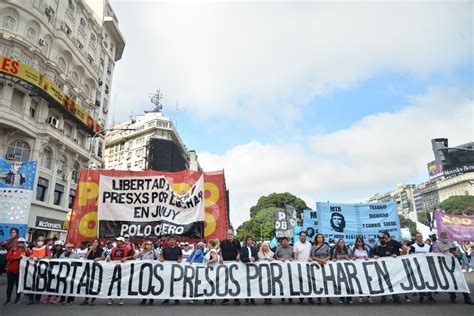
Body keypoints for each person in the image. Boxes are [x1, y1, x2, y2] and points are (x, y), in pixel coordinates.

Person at [433, 232, 474, 305]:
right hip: (445, 266)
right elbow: (436, 256)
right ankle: (453, 297)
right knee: (450, 281)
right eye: (443, 236)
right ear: (440, 237)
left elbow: (460, 256)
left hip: (455, 265)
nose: (445, 237)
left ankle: (467, 298)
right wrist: (443, 251)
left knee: (461, 281)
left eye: (445, 235)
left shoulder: (452, 244)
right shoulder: (437, 245)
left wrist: (455, 253)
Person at [373, 234, 402, 304]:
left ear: (385, 239)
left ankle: (395, 297)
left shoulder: (390, 248)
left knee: (392, 283)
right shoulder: (376, 248)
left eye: (383, 238)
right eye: (380, 239)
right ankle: (383, 298)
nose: (382, 240)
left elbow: (394, 255)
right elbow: (372, 255)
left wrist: (394, 255)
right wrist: (375, 256)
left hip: (390, 269)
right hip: (380, 269)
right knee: (382, 283)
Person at [408, 232, 436, 304]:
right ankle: (421, 296)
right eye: (418, 236)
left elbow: (431, 255)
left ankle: (429, 296)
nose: (419, 237)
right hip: (417, 267)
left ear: (422, 237)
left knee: (429, 281)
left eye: (420, 236)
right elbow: (411, 256)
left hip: (427, 267)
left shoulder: (428, 246)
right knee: (420, 282)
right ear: (416, 238)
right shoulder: (413, 246)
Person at [106, 237, 134, 305]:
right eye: (117, 241)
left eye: (118, 241)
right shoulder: (113, 249)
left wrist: (126, 258)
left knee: (121, 283)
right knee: (112, 283)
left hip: (123, 269)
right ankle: (111, 297)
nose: (117, 242)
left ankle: (121, 297)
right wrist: (108, 258)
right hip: (114, 268)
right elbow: (111, 258)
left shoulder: (128, 249)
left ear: (122, 242)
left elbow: (132, 256)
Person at [4, 237, 29, 305]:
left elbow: (30, 257)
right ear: (17, 242)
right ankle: (8, 299)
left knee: (19, 286)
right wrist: (17, 258)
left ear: (24, 243)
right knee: (10, 286)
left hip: (20, 272)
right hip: (11, 271)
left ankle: (17, 299)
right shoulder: (13, 249)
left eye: (22, 242)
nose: (20, 244)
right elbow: (8, 257)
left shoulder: (26, 250)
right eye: (19, 242)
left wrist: (27, 251)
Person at [80, 239, 105, 306]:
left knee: (94, 284)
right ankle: (86, 299)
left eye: (96, 242)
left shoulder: (101, 250)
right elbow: (85, 257)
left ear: (98, 244)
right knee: (88, 284)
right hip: (88, 268)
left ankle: (93, 300)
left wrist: (98, 258)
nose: (94, 243)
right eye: (93, 242)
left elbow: (103, 257)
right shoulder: (88, 249)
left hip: (96, 269)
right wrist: (90, 250)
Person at [220, 229, 241, 305]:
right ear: (226, 235)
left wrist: (238, 255)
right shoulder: (222, 242)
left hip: (235, 265)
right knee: (225, 282)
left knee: (235, 281)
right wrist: (221, 257)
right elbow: (220, 251)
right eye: (228, 234)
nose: (230, 235)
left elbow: (239, 251)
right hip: (225, 265)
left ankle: (236, 299)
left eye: (231, 234)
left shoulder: (237, 242)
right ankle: (226, 299)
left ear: (233, 235)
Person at [28, 236, 51, 305]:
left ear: (43, 242)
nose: (40, 242)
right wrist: (30, 257)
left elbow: (50, 257)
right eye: (39, 240)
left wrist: (43, 257)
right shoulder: (33, 248)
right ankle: (30, 299)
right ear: (36, 241)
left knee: (40, 283)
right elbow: (31, 256)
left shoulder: (46, 248)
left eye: (41, 240)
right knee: (31, 283)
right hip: (33, 269)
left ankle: (37, 299)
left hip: (42, 269)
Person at [160, 236, 183, 305]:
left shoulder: (178, 248)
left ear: (175, 241)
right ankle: (166, 299)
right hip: (167, 269)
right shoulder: (165, 249)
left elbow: (181, 256)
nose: (172, 241)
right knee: (167, 284)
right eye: (170, 240)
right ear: (168, 241)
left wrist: (180, 260)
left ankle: (176, 299)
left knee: (176, 284)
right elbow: (161, 255)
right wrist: (161, 258)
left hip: (176, 269)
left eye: (173, 240)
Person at [293, 231, 314, 304]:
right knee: (301, 282)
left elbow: (311, 254)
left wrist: (311, 259)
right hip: (300, 266)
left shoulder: (309, 244)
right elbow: (295, 256)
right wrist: (296, 264)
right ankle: (301, 298)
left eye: (304, 236)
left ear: (306, 237)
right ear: (299, 236)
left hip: (308, 266)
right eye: (302, 236)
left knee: (309, 282)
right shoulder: (296, 244)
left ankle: (310, 298)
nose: (303, 237)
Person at [311, 233, 332, 305]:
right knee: (319, 281)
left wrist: (325, 260)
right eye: (318, 237)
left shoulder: (326, 246)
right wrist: (320, 260)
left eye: (321, 237)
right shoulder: (313, 247)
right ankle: (319, 298)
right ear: (316, 239)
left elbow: (329, 255)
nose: (320, 239)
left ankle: (328, 298)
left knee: (327, 282)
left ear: (323, 239)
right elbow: (312, 256)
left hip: (325, 265)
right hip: (318, 265)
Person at [351, 237, 373, 304]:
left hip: (366, 267)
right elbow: (351, 256)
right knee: (360, 282)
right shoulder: (353, 248)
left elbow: (370, 256)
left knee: (367, 282)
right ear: (356, 242)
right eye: (358, 241)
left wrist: (367, 257)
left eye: (361, 241)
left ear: (363, 242)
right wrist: (354, 258)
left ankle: (369, 297)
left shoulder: (366, 248)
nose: (360, 242)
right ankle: (360, 296)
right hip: (358, 268)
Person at [136, 240, 157, 305]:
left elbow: (160, 258)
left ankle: (151, 299)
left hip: (151, 270)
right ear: (145, 245)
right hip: (144, 271)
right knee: (144, 285)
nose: (149, 245)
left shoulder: (154, 252)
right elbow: (135, 256)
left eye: (151, 244)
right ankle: (144, 299)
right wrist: (140, 253)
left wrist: (155, 250)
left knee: (151, 285)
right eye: (147, 244)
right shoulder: (142, 252)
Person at [332, 239, 352, 304]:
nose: (341, 243)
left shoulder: (347, 250)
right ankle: (342, 298)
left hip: (347, 269)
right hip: (339, 269)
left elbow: (351, 258)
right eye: (340, 242)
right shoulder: (335, 250)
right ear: (338, 243)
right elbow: (332, 258)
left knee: (348, 284)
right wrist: (334, 259)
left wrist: (349, 258)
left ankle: (349, 298)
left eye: (343, 242)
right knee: (341, 284)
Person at [274, 237, 294, 304]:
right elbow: (275, 257)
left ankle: (290, 297)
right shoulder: (278, 248)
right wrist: (279, 259)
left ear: (288, 241)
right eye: (283, 241)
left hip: (290, 268)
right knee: (282, 283)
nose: (285, 242)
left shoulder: (292, 248)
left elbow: (294, 256)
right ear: (281, 242)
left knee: (290, 283)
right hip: (281, 268)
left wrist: (292, 258)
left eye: (286, 241)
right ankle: (282, 297)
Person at [240, 236, 258, 305]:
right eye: (248, 240)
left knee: (253, 284)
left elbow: (256, 256)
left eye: (251, 240)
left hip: (253, 268)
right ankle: (246, 299)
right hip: (245, 268)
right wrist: (249, 259)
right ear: (246, 241)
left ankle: (252, 299)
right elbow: (242, 258)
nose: (249, 241)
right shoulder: (243, 249)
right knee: (246, 284)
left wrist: (254, 258)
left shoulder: (254, 249)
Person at [203, 239, 220, 305]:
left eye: (208, 243)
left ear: (210, 244)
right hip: (212, 270)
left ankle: (211, 299)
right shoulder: (213, 250)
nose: (207, 245)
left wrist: (208, 262)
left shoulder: (212, 251)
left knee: (209, 284)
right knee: (212, 284)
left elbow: (215, 259)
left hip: (211, 270)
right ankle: (211, 298)